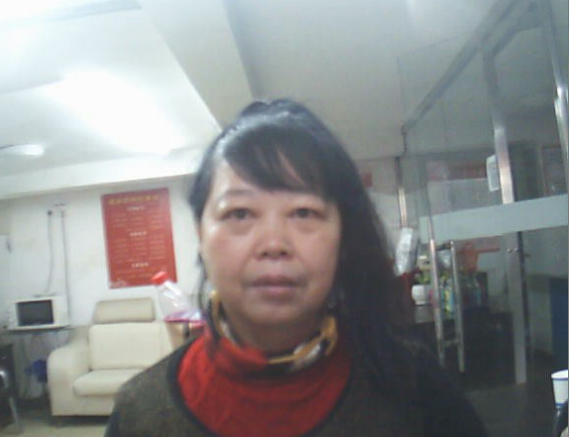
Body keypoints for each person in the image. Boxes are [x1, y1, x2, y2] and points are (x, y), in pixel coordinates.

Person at [105, 99, 488, 437]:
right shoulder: (141, 412)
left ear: (343, 236)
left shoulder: (414, 386)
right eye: (240, 213)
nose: (274, 243)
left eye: (304, 212)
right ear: (200, 234)